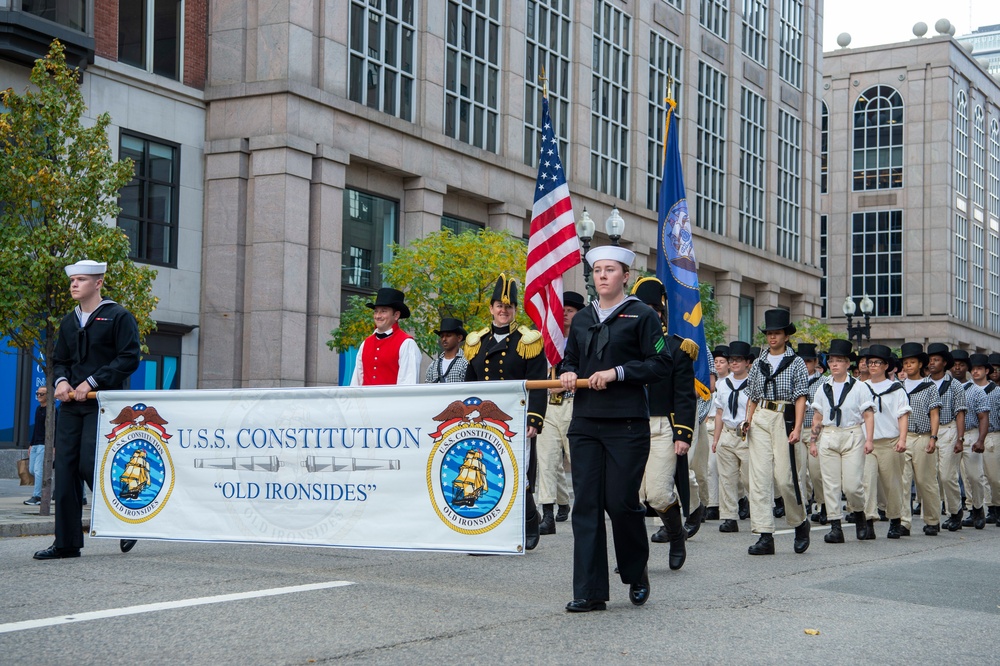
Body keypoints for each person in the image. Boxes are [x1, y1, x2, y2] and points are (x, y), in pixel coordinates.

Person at [559, 246, 672, 612]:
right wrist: (568, 373)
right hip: (586, 423)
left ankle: (636, 572)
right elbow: (570, 359)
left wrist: (618, 372)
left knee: (621, 503)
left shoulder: (641, 315)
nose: (602, 276)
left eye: (610, 270)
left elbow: (660, 364)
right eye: (597, 271)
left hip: (626, 422)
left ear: (625, 275)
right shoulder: (581, 319)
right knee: (587, 505)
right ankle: (590, 591)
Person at [34, 260, 141, 560]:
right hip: (71, 406)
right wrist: (63, 381)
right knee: (65, 470)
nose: (74, 284)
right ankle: (66, 544)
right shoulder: (69, 322)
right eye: (73, 280)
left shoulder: (118, 316)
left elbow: (129, 358)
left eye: (81, 279)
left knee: (88, 464)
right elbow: (61, 360)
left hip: (104, 406)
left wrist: (91, 382)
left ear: (98, 283)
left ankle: (128, 520)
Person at [465, 274, 547, 549]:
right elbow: (468, 384)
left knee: (515, 472)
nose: (504, 310)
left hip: (515, 418)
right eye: (499, 305)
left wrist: (535, 418)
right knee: (483, 471)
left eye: (509, 306)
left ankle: (529, 519)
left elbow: (538, 384)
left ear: (515, 310)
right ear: (490, 308)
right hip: (482, 420)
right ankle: (490, 530)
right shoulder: (477, 341)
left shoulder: (528, 340)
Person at [630, 277, 696, 571]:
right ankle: (634, 556)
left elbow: (684, 395)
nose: (649, 313)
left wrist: (682, 434)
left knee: (657, 493)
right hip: (628, 426)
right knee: (629, 497)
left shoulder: (677, 348)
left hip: (662, 429)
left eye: (654, 308)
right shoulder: (623, 346)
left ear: (662, 312)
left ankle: (676, 534)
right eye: (643, 307)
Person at [742, 309, 811, 556]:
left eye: (777, 333)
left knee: (785, 477)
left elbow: (801, 396)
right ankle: (764, 535)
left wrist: (799, 427)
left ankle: (799, 522)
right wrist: (747, 420)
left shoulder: (796, 362)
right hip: (760, 416)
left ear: (786, 336)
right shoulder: (759, 361)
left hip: (785, 417)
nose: (772, 337)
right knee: (759, 478)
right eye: (769, 333)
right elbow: (751, 394)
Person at [809, 339, 874, 543]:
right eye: (831, 361)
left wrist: (869, 439)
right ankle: (835, 526)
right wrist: (813, 440)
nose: (834, 364)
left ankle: (860, 514)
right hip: (828, 435)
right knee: (830, 484)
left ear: (848, 364)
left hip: (852, 434)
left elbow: (869, 414)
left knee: (853, 485)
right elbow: (818, 416)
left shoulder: (859, 387)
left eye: (839, 361)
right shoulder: (823, 387)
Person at [536, 290, 586, 535]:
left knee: (577, 459)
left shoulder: (584, 339)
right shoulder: (546, 339)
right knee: (547, 461)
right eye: (562, 310)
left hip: (573, 402)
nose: (564, 314)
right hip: (548, 404)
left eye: (570, 311)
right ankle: (547, 514)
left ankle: (578, 509)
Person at [861, 345, 910, 538]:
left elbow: (903, 415)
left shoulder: (897, 389)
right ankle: (869, 522)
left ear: (886, 366)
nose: (872, 366)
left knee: (893, 484)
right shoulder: (861, 388)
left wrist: (903, 439)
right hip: (868, 443)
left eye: (877, 362)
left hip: (890, 441)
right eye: (870, 362)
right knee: (867, 482)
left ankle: (895, 520)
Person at [898, 343, 944, 537]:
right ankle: (903, 522)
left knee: (926, 481)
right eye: (906, 362)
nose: (908, 366)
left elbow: (934, 413)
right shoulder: (898, 387)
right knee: (902, 481)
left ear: (920, 364)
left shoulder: (929, 387)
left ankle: (932, 520)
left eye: (912, 362)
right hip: (903, 437)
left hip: (922, 436)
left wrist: (933, 437)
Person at [925, 343, 967, 531]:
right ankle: (932, 516)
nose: (932, 363)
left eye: (936, 360)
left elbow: (960, 413)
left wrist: (960, 438)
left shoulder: (955, 385)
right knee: (929, 476)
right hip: (927, 432)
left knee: (947, 475)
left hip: (949, 429)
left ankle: (955, 512)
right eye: (930, 360)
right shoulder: (923, 383)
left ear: (944, 363)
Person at [712, 341, 753, 533]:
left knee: (748, 478)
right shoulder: (723, 385)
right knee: (726, 478)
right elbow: (719, 412)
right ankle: (729, 516)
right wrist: (716, 439)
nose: (734, 363)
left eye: (739, 360)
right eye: (732, 360)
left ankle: (755, 510)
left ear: (747, 362)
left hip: (746, 436)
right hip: (727, 434)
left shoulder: (754, 384)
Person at [350, 288, 420, 386]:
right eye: (376, 311)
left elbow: (407, 386)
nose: (378, 316)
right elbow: (356, 382)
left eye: (383, 311)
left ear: (396, 315)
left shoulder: (407, 343)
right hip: (366, 401)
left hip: (392, 401)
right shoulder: (365, 343)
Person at [953, 351, 989, 529]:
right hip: (950, 434)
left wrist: (981, 440)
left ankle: (978, 508)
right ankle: (957, 512)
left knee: (974, 476)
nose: (957, 367)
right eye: (954, 364)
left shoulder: (975, 391)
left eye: (961, 364)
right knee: (952, 477)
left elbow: (983, 417)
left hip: (971, 433)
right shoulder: (944, 388)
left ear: (967, 367)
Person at [799, 343, 828, 525]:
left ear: (816, 362)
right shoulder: (795, 379)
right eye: (802, 361)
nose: (805, 364)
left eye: (809, 361)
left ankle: (824, 503)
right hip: (798, 428)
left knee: (817, 472)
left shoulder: (824, 382)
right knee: (800, 472)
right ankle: (802, 505)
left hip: (817, 429)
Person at [973, 353, 1000, 526]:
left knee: (994, 476)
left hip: (993, 435)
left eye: (979, 369)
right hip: (972, 434)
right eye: (973, 369)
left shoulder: (996, 392)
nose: (975, 372)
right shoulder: (968, 390)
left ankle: (998, 505)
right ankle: (989, 508)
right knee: (977, 476)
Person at [24, 386, 50, 506]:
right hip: (36, 443)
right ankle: (48, 487)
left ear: (48, 396)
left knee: (39, 471)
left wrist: (53, 446)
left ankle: (37, 496)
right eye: (37, 394)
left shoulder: (51, 410)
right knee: (32, 470)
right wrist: (31, 444)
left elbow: (54, 428)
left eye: (42, 394)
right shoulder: (38, 409)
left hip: (45, 444)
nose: (39, 396)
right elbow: (36, 428)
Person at [424, 317, 469, 383]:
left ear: (459, 338)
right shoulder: (433, 365)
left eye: (448, 335)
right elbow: (427, 390)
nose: (444, 339)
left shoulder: (466, 363)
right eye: (442, 336)